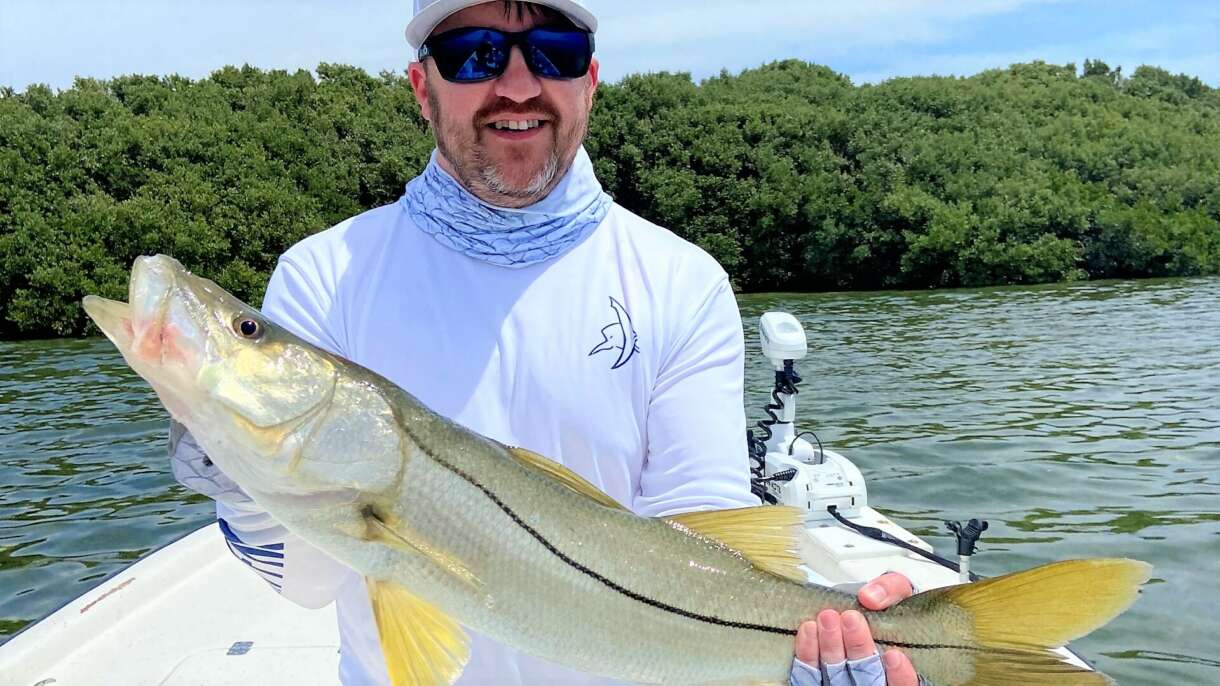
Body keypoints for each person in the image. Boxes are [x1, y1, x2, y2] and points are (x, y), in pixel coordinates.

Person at [171, 1, 920, 683]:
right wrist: (236, 468)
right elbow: (306, 582)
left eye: (554, 49)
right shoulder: (325, 275)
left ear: (590, 80)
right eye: (474, 52)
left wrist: (820, 637)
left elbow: (704, 536)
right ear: (421, 86)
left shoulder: (680, 281)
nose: (520, 84)